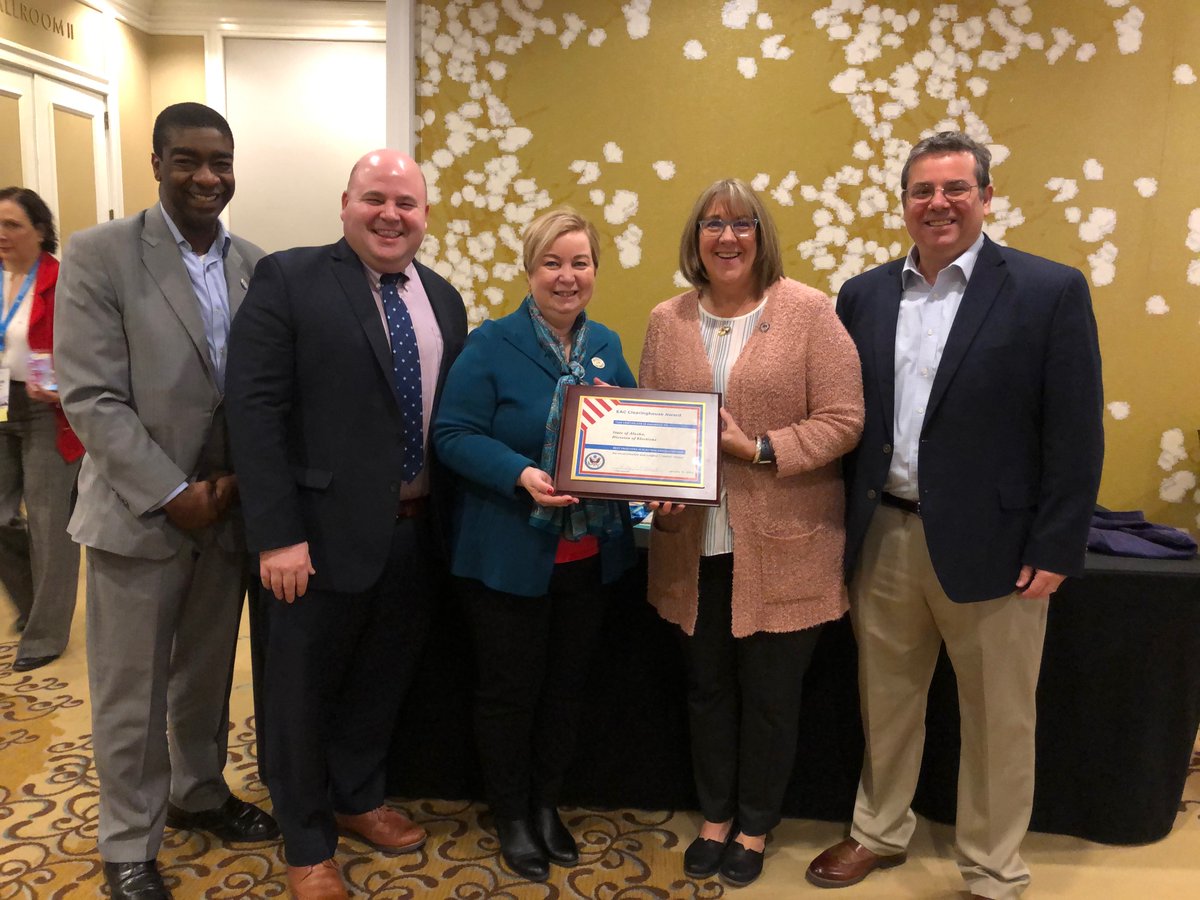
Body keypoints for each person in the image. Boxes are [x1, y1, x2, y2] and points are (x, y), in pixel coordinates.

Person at [806, 132, 1104, 900]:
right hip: (885, 535)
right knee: (887, 699)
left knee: (1000, 718)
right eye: (921, 190)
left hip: (1000, 547)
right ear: (903, 202)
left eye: (955, 188)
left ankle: (994, 866)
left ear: (986, 196)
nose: (937, 203)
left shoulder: (1048, 290)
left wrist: (1058, 545)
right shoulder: (863, 294)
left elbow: (1074, 432)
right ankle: (879, 830)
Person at [225, 149, 467, 900]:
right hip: (314, 539)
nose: (391, 214)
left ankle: (359, 797)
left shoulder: (444, 298)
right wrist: (276, 534)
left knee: (379, 679)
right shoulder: (291, 278)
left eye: (407, 203)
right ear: (345, 203)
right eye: (376, 199)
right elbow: (254, 412)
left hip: (414, 531)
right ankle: (306, 842)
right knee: (297, 694)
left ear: (425, 216)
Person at [54, 102, 278, 900]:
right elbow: (91, 397)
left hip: (226, 512)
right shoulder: (100, 255)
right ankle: (126, 842)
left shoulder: (256, 263)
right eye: (188, 160)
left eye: (220, 161)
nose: (207, 177)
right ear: (155, 164)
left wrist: (241, 484)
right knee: (130, 690)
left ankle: (198, 793)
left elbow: (261, 391)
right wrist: (172, 491)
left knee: (206, 677)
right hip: (138, 514)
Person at [639, 179, 864, 888]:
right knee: (706, 691)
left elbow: (843, 419)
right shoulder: (665, 319)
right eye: (713, 224)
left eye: (741, 224)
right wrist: (657, 491)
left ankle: (756, 824)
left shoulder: (810, 313)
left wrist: (759, 449)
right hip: (692, 546)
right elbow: (648, 425)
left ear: (761, 235)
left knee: (771, 701)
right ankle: (713, 817)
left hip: (785, 547)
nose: (727, 237)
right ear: (695, 239)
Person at [432, 208, 638, 883]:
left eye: (580, 263)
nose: (567, 276)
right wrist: (521, 474)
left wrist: (622, 418)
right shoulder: (491, 343)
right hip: (506, 554)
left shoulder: (606, 345)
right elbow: (454, 435)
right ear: (530, 270)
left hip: (586, 558)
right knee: (509, 692)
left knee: (566, 691)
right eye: (553, 262)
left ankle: (546, 803)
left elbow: (637, 442)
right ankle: (512, 813)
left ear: (595, 272)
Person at [0, 187, 83, 671]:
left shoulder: (62, 279)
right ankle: (34, 602)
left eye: (13, 224)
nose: (3, 234)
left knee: (51, 529)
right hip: (2, 408)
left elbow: (87, 345)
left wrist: (64, 386)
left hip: (46, 414)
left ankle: (45, 636)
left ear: (39, 230)